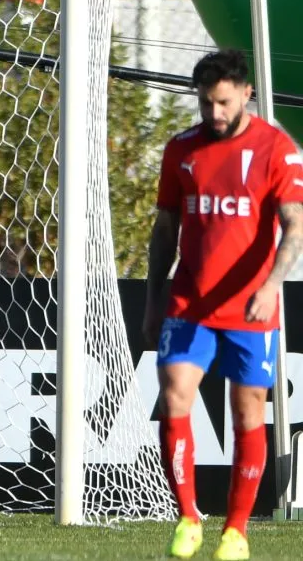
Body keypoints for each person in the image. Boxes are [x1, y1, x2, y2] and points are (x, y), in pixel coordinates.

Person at [143, 49, 303, 561]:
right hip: (189, 302)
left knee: (247, 409)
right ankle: (189, 518)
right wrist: (154, 297)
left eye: (224, 103)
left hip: (251, 306)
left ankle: (236, 531)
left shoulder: (277, 149)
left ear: (246, 95)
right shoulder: (182, 149)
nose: (214, 113)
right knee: (174, 397)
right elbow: (165, 228)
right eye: (206, 103)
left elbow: (295, 226)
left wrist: (272, 285)